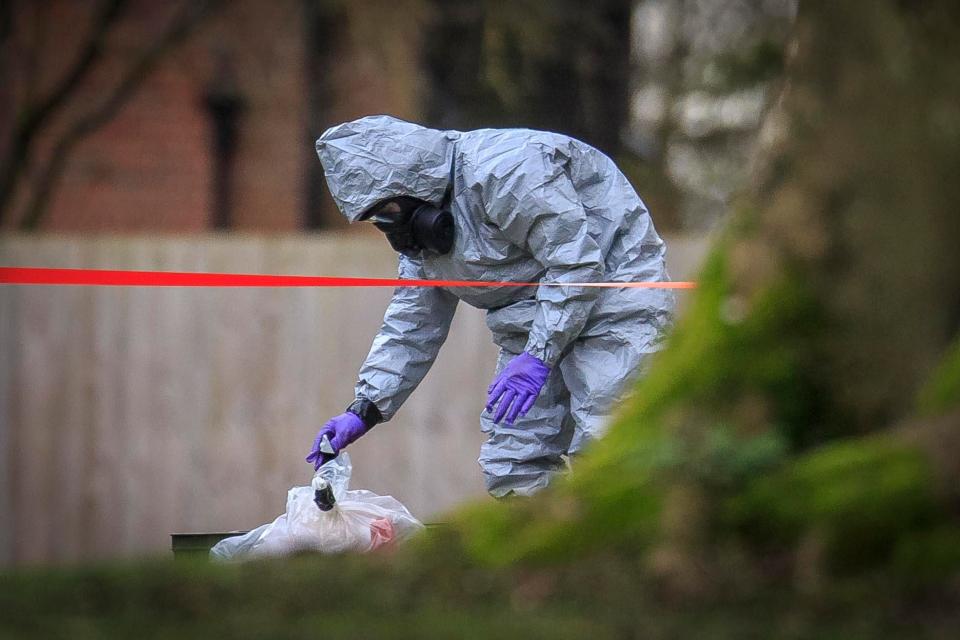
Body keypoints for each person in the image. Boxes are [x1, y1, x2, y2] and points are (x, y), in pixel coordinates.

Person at [306, 115, 674, 498]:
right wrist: (365, 407)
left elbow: (575, 264)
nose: (388, 227)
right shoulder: (423, 242)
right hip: (532, 330)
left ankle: (626, 552)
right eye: (376, 219)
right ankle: (546, 550)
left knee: (610, 443)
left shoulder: (506, 170)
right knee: (514, 462)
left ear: (411, 181)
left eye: (387, 212)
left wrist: (538, 355)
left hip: (614, 303)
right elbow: (412, 324)